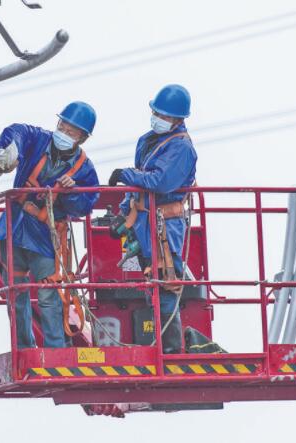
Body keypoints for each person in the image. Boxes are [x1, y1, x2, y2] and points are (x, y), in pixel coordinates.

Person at [0, 101, 100, 348]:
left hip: (44, 236)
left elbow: (85, 205)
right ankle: (23, 349)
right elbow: (17, 131)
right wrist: (10, 149)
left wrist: (71, 191)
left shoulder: (84, 168)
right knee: (14, 294)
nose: (64, 131)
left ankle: (55, 351)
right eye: (63, 124)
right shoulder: (38, 140)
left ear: (82, 138)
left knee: (49, 295)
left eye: (71, 131)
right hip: (14, 227)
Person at [108, 84, 197, 353]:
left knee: (166, 279)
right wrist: (125, 213)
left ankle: (170, 351)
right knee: (151, 280)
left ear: (178, 119)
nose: (158, 118)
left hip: (166, 223)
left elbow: (160, 182)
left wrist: (126, 175)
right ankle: (161, 346)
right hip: (146, 220)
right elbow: (139, 181)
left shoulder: (182, 148)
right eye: (156, 112)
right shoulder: (148, 140)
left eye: (164, 115)